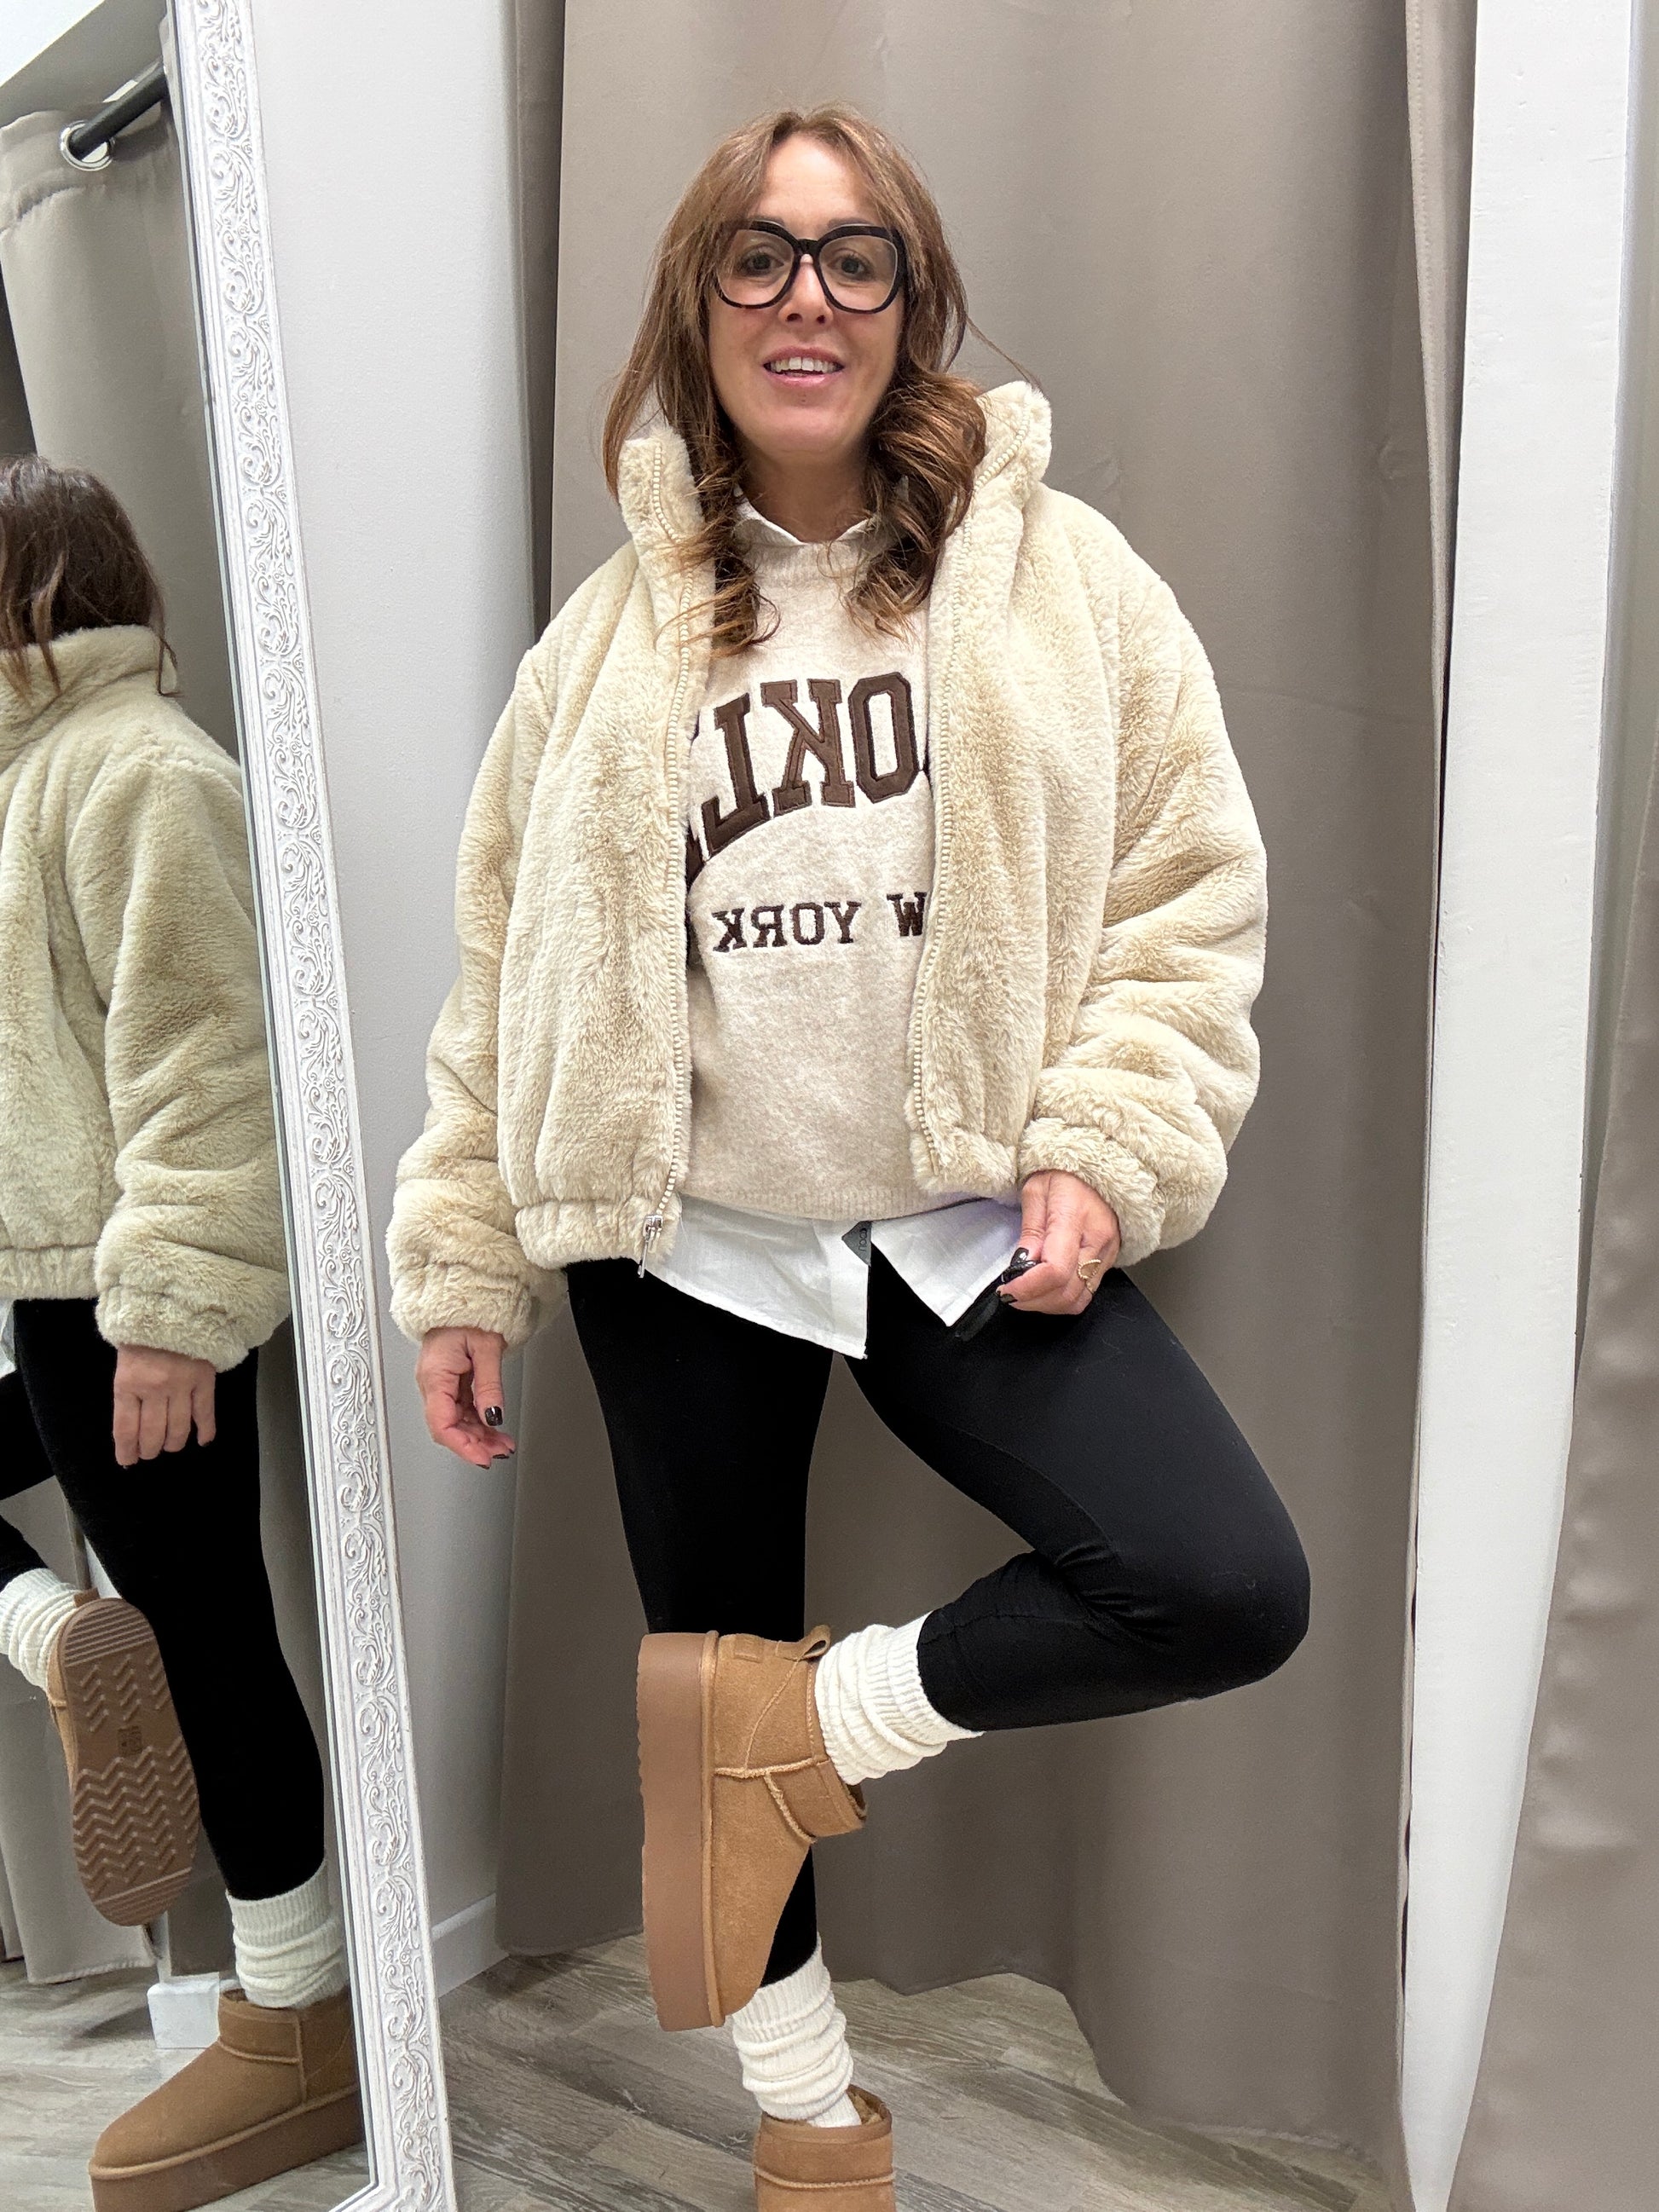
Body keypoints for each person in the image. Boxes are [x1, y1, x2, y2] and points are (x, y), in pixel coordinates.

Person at [390, 104, 1309, 2212]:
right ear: (697, 301)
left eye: (853, 255)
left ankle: (813, 1728)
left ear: (910, 300)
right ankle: (813, 2123)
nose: (805, 297)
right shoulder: (597, 647)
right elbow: (501, 972)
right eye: (759, 254)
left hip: (962, 1226)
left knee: (1211, 1580)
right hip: (679, 1243)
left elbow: (1186, 894)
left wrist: (1106, 1139)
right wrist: (463, 1259)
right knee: (708, 1639)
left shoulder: (1066, 583)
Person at [0, 455, 359, 2211]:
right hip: (52, 1285)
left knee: (213, 1637)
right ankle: (64, 1638)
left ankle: (298, 2012)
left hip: (134, 1300)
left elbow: (205, 1060)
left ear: (33, 590)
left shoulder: (142, 770)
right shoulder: (29, 778)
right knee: (178, 1628)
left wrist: (173, 1319)